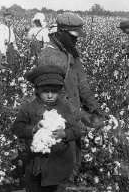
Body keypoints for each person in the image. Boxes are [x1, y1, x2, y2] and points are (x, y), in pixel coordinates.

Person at [36, 12, 103, 176]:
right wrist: (79, 117)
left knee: (74, 160)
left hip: (73, 115)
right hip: (57, 119)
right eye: (73, 36)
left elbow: (82, 84)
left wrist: (94, 108)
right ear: (61, 32)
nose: (76, 40)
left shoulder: (71, 52)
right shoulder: (49, 56)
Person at [12, 65, 81, 192]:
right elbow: (17, 128)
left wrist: (65, 134)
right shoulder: (29, 108)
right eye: (45, 92)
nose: (50, 95)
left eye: (54, 92)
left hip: (60, 164)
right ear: (37, 90)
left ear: (59, 92)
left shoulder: (64, 108)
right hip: (38, 165)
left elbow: (77, 129)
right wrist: (33, 129)